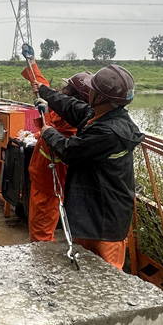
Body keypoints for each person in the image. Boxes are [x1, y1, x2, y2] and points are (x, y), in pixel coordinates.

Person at [34, 64, 145, 269]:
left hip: (105, 221)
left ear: (101, 97)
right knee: (83, 271)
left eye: (93, 89)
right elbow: (72, 107)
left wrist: (48, 132)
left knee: (107, 275)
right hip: (91, 214)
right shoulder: (101, 115)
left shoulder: (110, 132)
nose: (89, 92)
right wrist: (44, 91)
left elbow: (70, 151)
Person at [20, 56, 91, 242]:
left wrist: (47, 112)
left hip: (49, 183)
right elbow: (45, 89)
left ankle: (45, 265)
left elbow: (56, 135)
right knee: (40, 228)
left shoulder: (74, 122)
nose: (62, 90)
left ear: (75, 96)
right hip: (43, 179)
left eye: (67, 88)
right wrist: (32, 64)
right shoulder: (69, 111)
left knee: (41, 234)